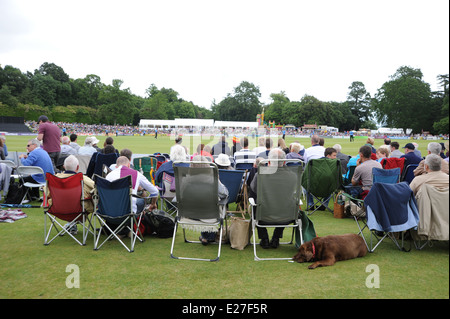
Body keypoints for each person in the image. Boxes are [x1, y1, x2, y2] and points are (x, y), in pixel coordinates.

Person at [250, 148, 294, 249]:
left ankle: (264, 238)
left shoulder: (260, 175)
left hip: (264, 214)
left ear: (269, 162)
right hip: (285, 215)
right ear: (283, 162)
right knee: (285, 204)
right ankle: (275, 238)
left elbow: (254, 190)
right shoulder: (292, 176)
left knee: (255, 205)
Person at [189, 155, 229, 245]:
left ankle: (205, 237)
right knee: (213, 205)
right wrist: (218, 181)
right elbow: (224, 193)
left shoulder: (186, 179)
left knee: (202, 205)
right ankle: (208, 237)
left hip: (190, 214)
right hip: (210, 214)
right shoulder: (212, 179)